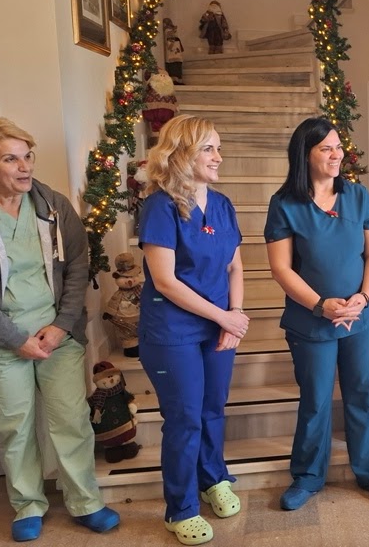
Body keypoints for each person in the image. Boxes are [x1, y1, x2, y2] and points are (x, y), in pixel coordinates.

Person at [0, 117, 119, 542]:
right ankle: (28, 504)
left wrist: (60, 326)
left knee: (71, 421)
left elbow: (77, 267)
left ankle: (85, 501)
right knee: (14, 428)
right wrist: (15, 339)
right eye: (10, 159)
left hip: (57, 337)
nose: (25, 167)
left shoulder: (54, 206)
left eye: (27, 156)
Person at [265, 117, 369, 510]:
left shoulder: (358, 196)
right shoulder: (285, 204)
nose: (337, 154)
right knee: (316, 399)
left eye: (339, 147)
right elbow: (281, 269)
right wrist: (320, 305)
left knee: (362, 394)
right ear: (305, 154)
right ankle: (307, 477)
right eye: (326, 148)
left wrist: (364, 297)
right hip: (311, 321)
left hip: (359, 316)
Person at [137, 114, 248, 545]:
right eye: (208, 149)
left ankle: (213, 478)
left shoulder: (221, 205)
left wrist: (234, 314)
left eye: (219, 148)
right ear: (182, 153)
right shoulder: (160, 206)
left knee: (212, 409)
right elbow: (165, 280)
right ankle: (180, 509)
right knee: (184, 418)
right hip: (173, 331)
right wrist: (223, 317)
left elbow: (235, 266)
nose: (218, 157)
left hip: (219, 325)